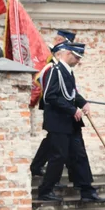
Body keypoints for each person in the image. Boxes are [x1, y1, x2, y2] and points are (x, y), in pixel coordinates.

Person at [35, 42, 103, 204]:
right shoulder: (54, 70)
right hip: (58, 121)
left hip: (70, 122)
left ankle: (86, 189)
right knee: (58, 157)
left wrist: (83, 102)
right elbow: (50, 96)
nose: (78, 60)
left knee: (79, 155)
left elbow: (71, 94)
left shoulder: (67, 72)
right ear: (67, 54)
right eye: (76, 57)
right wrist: (72, 110)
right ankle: (45, 190)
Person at [31, 31, 78, 177]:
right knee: (57, 148)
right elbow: (44, 80)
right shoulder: (53, 61)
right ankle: (45, 174)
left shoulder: (59, 61)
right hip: (55, 108)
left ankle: (37, 166)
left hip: (62, 109)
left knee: (51, 142)